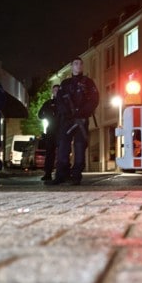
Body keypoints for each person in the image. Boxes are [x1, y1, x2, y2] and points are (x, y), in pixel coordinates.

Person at [47, 57, 99, 186]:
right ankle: (61, 175)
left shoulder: (88, 82)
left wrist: (81, 113)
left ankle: (76, 176)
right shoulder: (65, 83)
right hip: (67, 120)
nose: (79, 66)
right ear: (71, 66)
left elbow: (94, 100)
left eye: (81, 64)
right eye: (76, 64)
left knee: (80, 147)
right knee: (63, 147)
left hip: (81, 120)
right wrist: (68, 113)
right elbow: (59, 100)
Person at [38, 84, 60, 181]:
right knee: (50, 152)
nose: (56, 92)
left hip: (61, 130)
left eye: (58, 90)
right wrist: (48, 115)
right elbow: (40, 115)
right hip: (51, 130)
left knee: (62, 152)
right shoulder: (48, 103)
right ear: (52, 91)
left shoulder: (64, 103)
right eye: (54, 90)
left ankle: (61, 172)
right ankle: (48, 173)